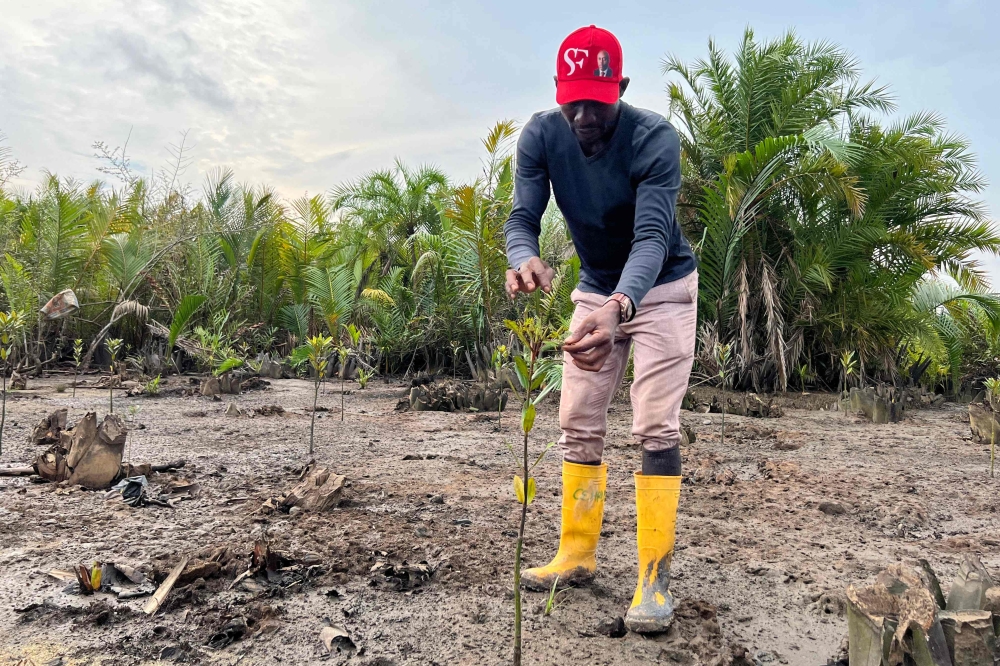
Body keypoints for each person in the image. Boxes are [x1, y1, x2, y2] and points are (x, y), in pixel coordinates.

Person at [503, 24, 697, 633]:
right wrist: (522, 256)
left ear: (623, 88)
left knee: (654, 423)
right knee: (576, 419)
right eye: (573, 100)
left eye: (598, 100)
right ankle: (577, 553)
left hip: (662, 288)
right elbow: (521, 217)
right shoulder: (540, 135)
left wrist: (620, 308)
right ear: (558, 92)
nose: (584, 115)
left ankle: (652, 578)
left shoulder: (654, 141)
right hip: (593, 286)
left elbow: (651, 239)